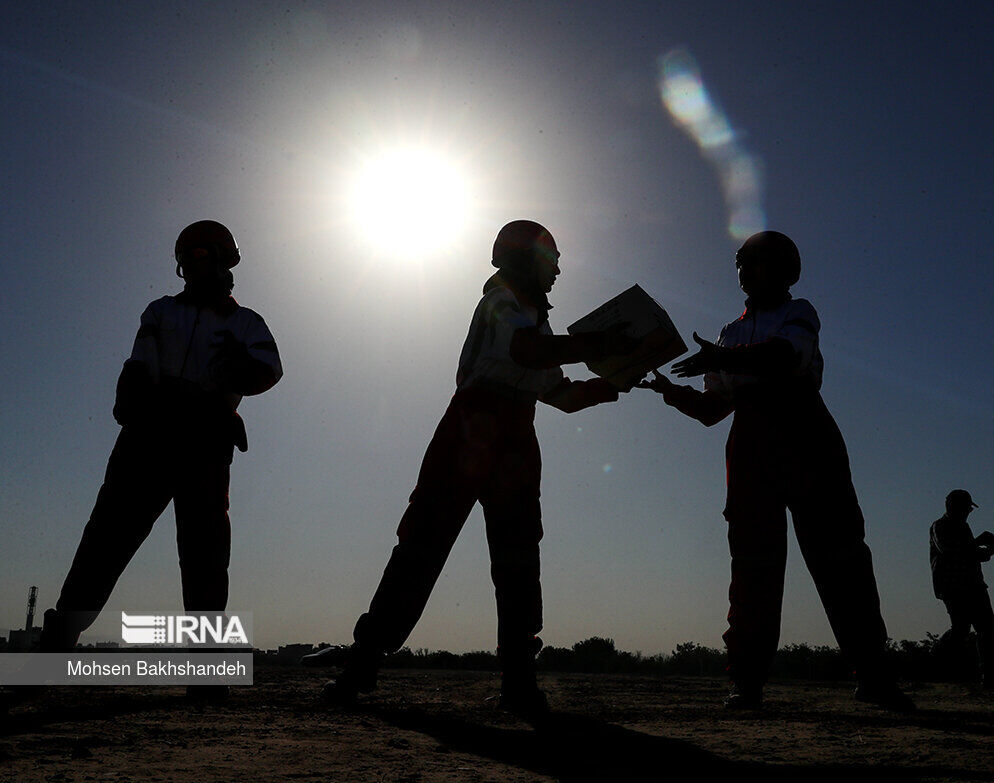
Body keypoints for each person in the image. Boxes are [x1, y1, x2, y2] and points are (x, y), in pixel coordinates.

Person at [322, 220, 634, 718]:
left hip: (513, 434)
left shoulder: (538, 322)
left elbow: (561, 395)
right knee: (423, 543)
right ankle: (363, 662)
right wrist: (599, 345)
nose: (557, 274)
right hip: (472, 426)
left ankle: (518, 680)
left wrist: (617, 382)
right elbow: (525, 353)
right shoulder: (500, 302)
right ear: (526, 261)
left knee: (517, 557)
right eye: (551, 263)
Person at [639, 230, 913, 711]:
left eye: (756, 263)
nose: (745, 272)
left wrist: (722, 358)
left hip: (806, 436)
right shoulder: (726, 332)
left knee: (841, 557)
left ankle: (874, 675)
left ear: (785, 270)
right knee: (752, 565)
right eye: (741, 264)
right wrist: (666, 391)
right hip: (749, 449)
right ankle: (747, 683)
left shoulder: (798, 312)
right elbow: (712, 410)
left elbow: (786, 356)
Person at [41, 220, 283, 673]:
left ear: (221, 258)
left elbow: (270, 367)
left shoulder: (247, 323)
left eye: (203, 255)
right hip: (148, 439)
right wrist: (134, 397)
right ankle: (55, 646)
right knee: (105, 542)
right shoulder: (159, 312)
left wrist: (235, 371)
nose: (196, 266)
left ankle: (207, 669)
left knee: (206, 557)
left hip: (206, 444)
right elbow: (140, 364)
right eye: (188, 257)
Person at [929, 489, 994, 686]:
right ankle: (933, 662)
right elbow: (950, 551)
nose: (968, 512)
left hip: (974, 585)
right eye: (966, 508)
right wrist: (979, 542)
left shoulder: (963, 527)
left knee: (986, 629)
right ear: (954, 507)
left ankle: (989, 677)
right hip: (953, 587)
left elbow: (979, 556)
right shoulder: (940, 526)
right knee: (961, 630)